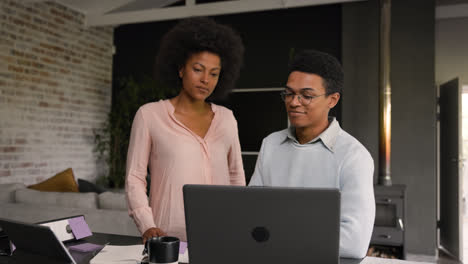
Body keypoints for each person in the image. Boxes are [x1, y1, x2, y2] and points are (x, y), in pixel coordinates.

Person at [125, 17, 246, 243]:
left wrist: (238, 220)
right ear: (181, 69)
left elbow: (236, 176)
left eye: (214, 73)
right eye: (198, 69)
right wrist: (147, 225)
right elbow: (135, 177)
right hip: (168, 236)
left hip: (221, 234)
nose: (205, 80)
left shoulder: (227, 118)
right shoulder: (150, 115)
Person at [248, 50, 375, 259]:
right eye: (289, 93)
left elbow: (354, 242)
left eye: (306, 96)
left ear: (332, 100)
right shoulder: (270, 144)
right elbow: (251, 212)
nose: (294, 102)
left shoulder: (354, 157)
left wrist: (275, 233)